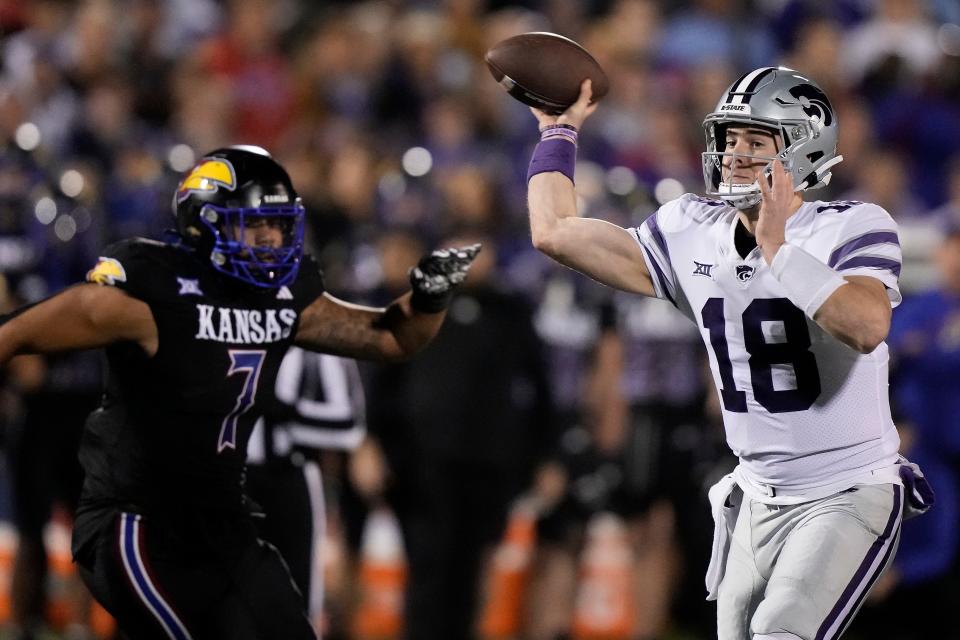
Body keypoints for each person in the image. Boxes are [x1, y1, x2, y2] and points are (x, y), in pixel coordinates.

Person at [0, 145, 479, 640]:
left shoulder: (284, 298)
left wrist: (428, 299)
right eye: (254, 225)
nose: (271, 239)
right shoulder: (156, 290)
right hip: (134, 521)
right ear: (202, 225)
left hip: (225, 523)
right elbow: (14, 333)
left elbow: (390, 336)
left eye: (278, 225)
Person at [525, 67, 933, 639]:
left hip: (846, 486)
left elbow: (867, 325)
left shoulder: (851, 226)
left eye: (756, 141)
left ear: (802, 149)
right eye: (729, 139)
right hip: (755, 491)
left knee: (782, 630)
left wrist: (778, 250)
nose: (734, 155)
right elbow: (555, 232)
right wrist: (557, 133)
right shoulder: (694, 229)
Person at [244, 347, 366, 633]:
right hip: (221, 479)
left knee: (293, 595)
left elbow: (348, 423)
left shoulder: (313, 340)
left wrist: (285, 410)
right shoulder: (217, 323)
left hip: (286, 479)